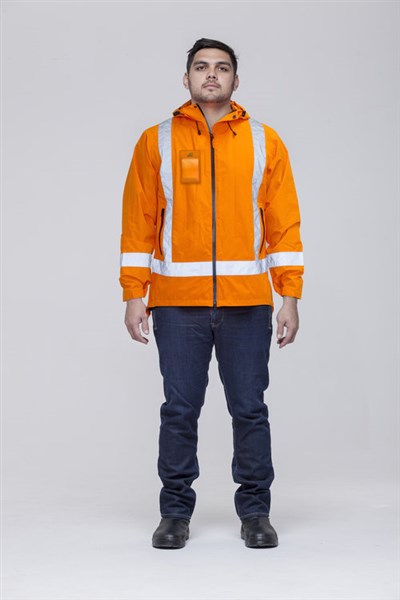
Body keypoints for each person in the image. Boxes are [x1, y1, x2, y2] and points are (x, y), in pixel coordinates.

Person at [119, 38, 304, 549]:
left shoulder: (264, 141)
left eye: (222, 68)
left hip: (248, 303)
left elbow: (284, 225)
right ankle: (174, 514)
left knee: (250, 410)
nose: (212, 75)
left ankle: (256, 514)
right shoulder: (156, 141)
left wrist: (289, 296)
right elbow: (138, 222)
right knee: (180, 410)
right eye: (201, 67)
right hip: (178, 303)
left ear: (235, 80)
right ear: (187, 79)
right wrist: (134, 293)